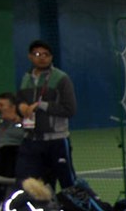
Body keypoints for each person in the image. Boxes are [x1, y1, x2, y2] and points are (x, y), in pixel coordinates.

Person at [14, 40, 78, 192]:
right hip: (31, 141)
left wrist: (41, 105)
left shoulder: (61, 78)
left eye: (46, 54)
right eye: (37, 54)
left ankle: (74, 208)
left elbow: (70, 109)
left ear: (51, 57)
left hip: (56, 141)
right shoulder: (26, 78)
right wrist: (20, 107)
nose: (42, 57)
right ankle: (38, 207)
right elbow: (19, 101)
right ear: (30, 56)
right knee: (28, 183)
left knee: (68, 183)